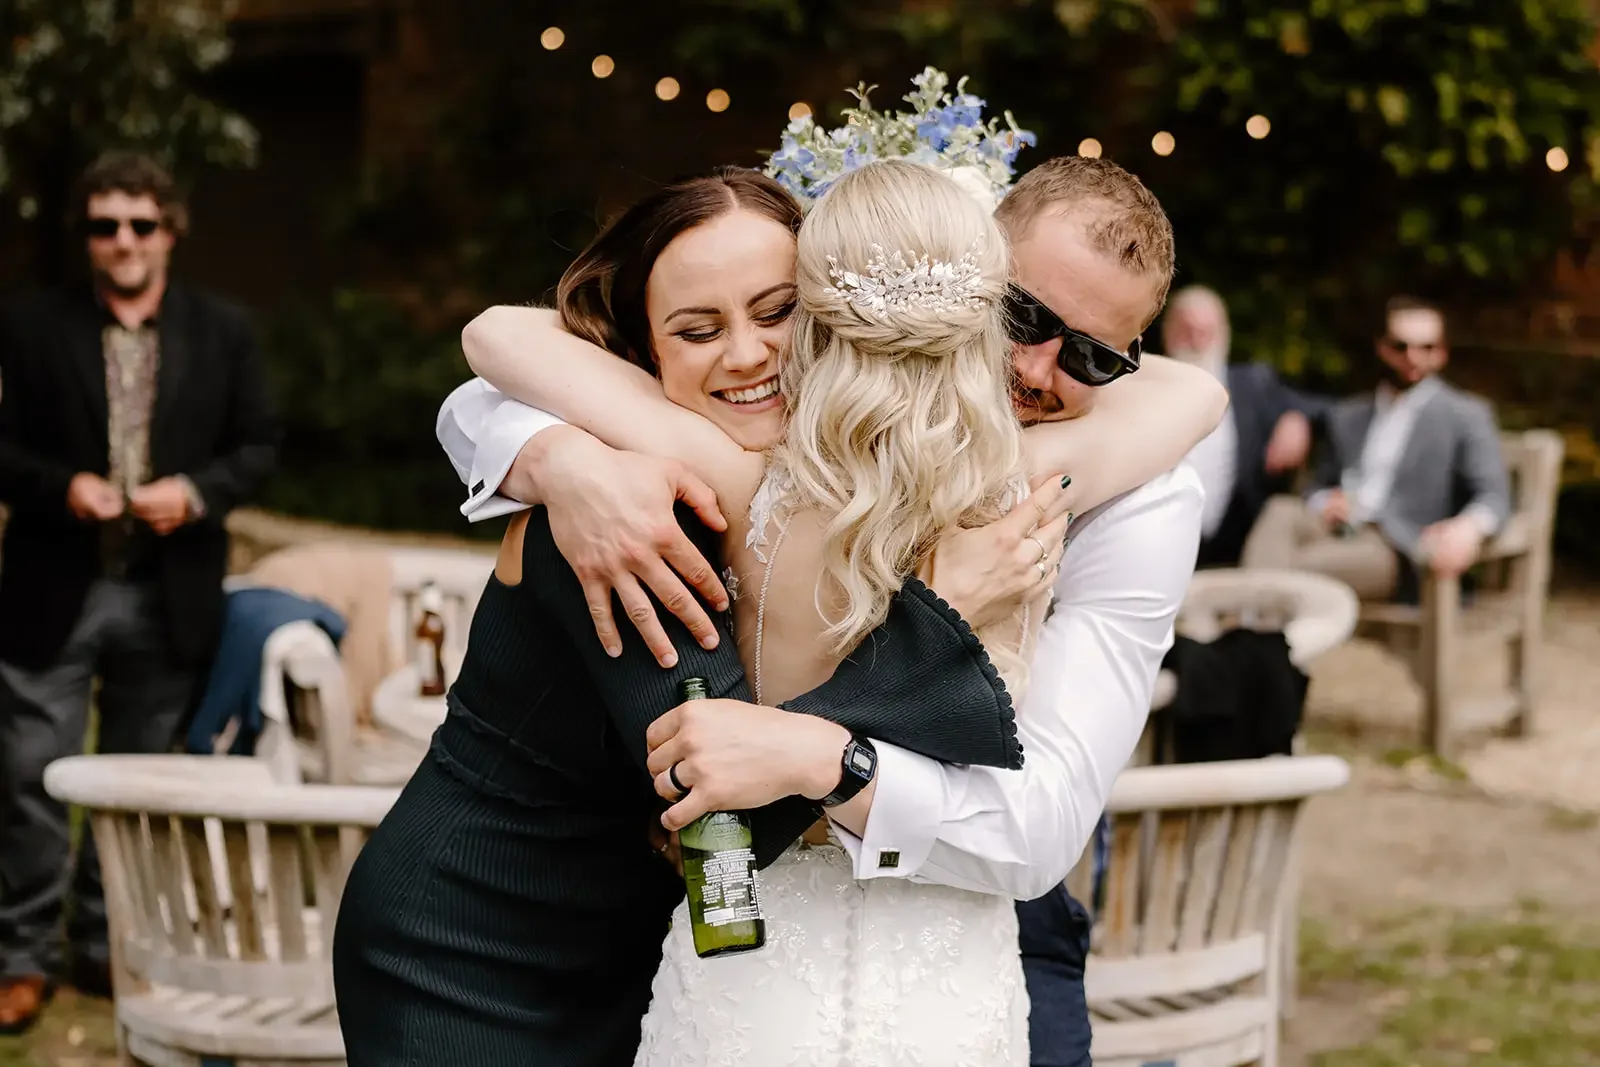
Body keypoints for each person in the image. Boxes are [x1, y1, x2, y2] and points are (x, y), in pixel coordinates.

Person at [332, 161, 1214, 1066]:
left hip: (748, 941)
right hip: (483, 938)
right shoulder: (647, 505)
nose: (749, 355)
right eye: (1024, 320)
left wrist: (820, 751)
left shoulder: (1064, 491)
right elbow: (723, 831)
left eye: (773, 311)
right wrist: (558, 458)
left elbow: (1197, 397)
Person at [0, 151, 278, 1032]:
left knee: (128, 786)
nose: (122, 241)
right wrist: (59, 487)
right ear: (85, 235)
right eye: (104, 225)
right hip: (54, 584)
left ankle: (103, 946)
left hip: (172, 594)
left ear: (170, 231)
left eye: (140, 224)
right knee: (27, 779)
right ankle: (20, 957)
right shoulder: (31, 325)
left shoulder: (225, 329)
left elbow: (261, 444)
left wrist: (195, 494)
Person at [1241, 295, 1509, 601]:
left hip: (1397, 546)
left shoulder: (1465, 415)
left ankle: (1247, 629)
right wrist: (1326, 500)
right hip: (1336, 527)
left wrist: (1468, 529)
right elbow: (1317, 485)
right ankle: (1255, 633)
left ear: (1442, 353)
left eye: (1427, 348)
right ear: (1381, 347)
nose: (1413, 357)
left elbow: (1493, 496)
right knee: (1281, 510)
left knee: (1288, 570)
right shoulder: (1350, 414)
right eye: (1400, 346)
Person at [1162, 285, 1329, 567]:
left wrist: (1296, 418)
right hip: (1164, 542)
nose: (1197, 341)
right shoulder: (1149, 384)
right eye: (1187, 330)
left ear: (1224, 334)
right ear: (1168, 333)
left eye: (1207, 331)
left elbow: (1324, 408)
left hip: (1239, 543)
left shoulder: (1253, 383)